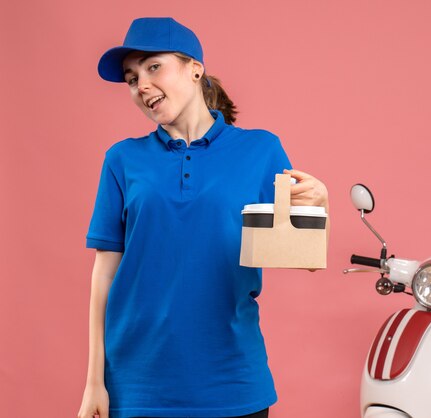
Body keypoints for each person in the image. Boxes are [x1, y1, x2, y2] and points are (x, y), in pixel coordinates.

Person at [77, 17, 329, 418]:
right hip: (137, 386)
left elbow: (305, 259)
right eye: (131, 78)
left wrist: (319, 206)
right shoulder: (122, 160)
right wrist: (94, 382)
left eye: (153, 67)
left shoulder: (260, 150)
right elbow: (104, 275)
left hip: (232, 381)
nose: (141, 85)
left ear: (195, 69)